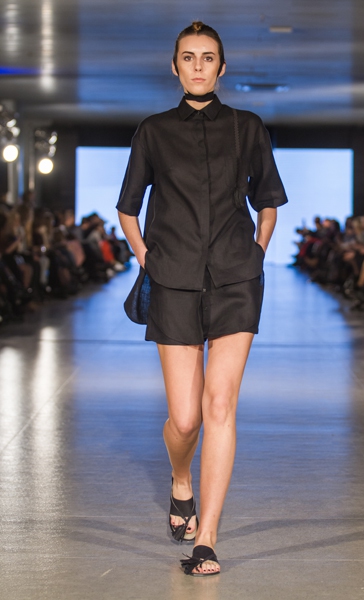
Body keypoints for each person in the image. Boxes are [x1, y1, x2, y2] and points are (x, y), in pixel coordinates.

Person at [116, 21, 288, 576]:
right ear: (174, 66)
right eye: (188, 57)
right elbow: (127, 207)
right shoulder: (153, 131)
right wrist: (147, 258)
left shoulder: (247, 127)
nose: (197, 66)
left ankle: (207, 538)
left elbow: (268, 200)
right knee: (186, 419)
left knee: (220, 407)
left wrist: (257, 252)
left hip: (237, 279)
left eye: (207, 57)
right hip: (174, 280)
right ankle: (180, 479)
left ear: (221, 67)